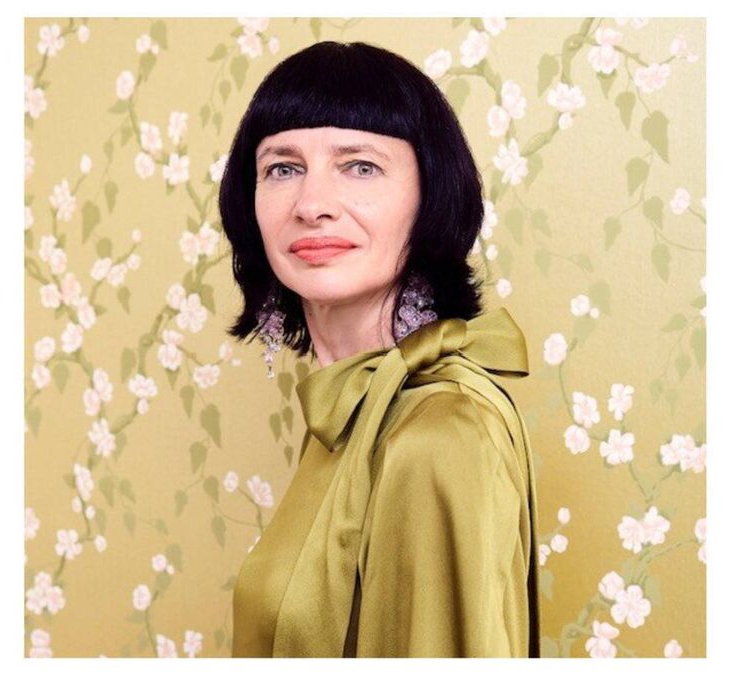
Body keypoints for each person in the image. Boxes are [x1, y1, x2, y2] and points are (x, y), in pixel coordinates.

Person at [220, 40, 540, 658]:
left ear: (430, 194)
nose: (312, 205)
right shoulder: (353, 406)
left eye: (360, 166)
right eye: (282, 168)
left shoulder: (439, 435)